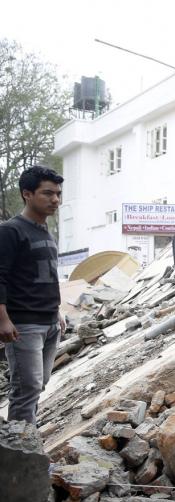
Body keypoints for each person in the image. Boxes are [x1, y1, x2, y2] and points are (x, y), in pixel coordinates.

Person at [0, 166, 64, 424]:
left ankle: (24, 445)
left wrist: (57, 311)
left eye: (58, 194)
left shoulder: (46, 231)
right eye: (47, 193)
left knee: (37, 386)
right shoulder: (10, 231)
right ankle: (21, 458)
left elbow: (45, 276)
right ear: (27, 194)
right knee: (26, 390)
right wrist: (3, 318)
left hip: (50, 323)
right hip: (24, 325)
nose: (55, 200)